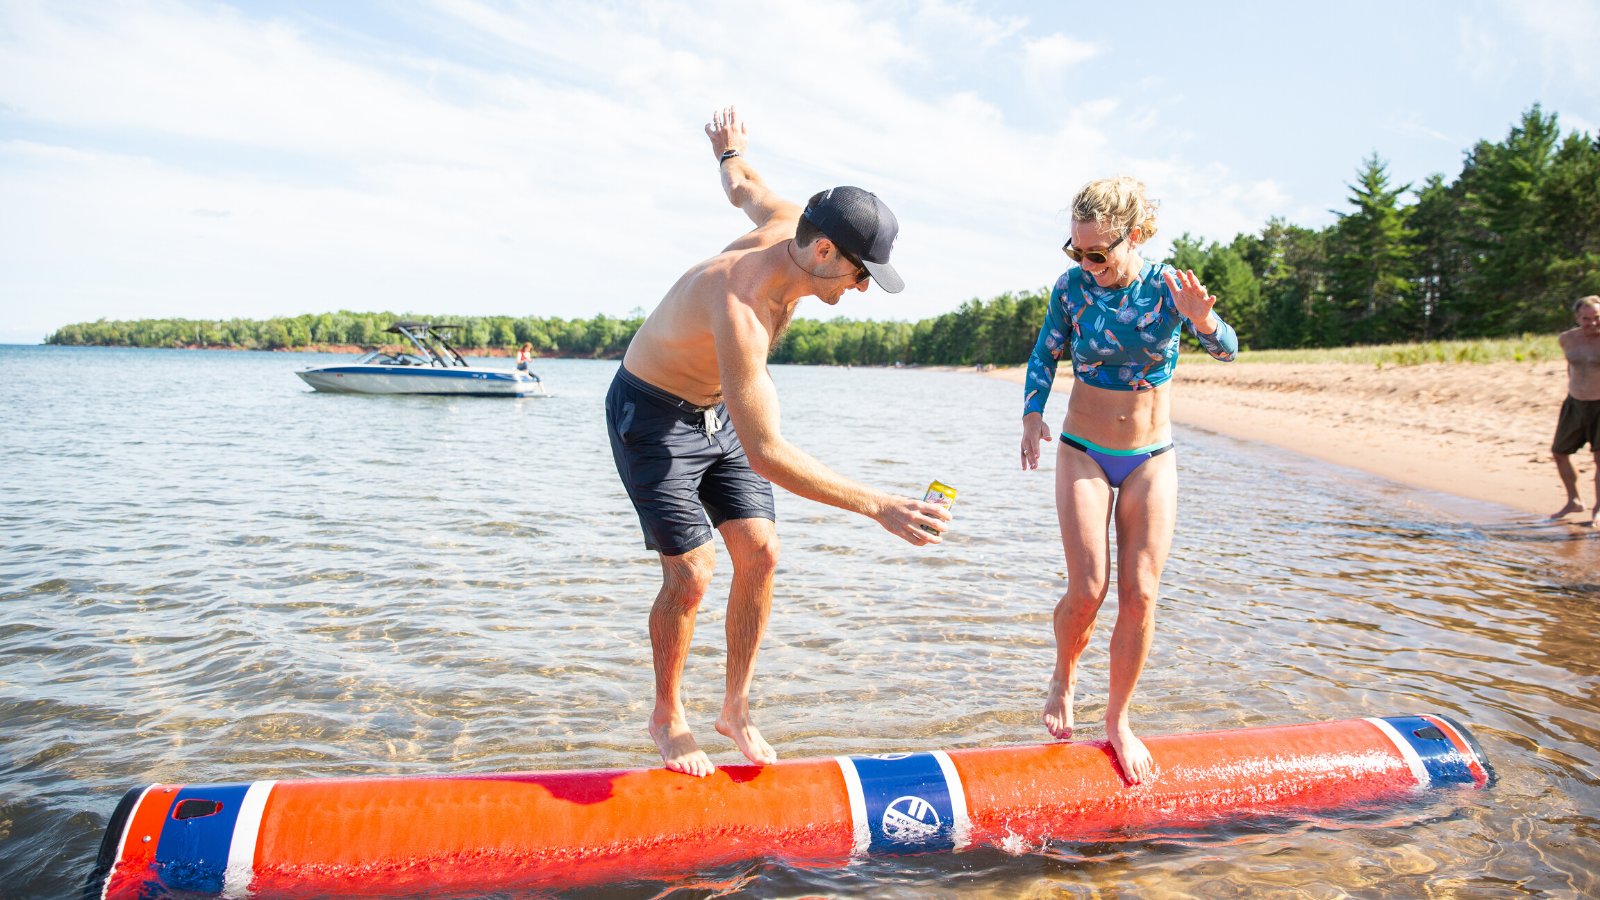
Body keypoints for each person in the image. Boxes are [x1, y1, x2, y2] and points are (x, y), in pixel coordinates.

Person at [606, 107, 952, 777]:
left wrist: (728, 152)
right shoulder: (740, 306)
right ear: (823, 251)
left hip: (715, 411)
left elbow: (746, 187)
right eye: (859, 274)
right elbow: (767, 451)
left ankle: (734, 709)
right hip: (652, 416)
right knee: (693, 574)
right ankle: (667, 717)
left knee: (761, 551)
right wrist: (878, 504)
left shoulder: (795, 221)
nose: (861, 288)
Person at [1018, 176, 1238, 785]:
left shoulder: (1168, 287)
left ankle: (1118, 720)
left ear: (1134, 236)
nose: (1086, 264)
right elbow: (1045, 354)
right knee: (1088, 588)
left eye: (1097, 253)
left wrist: (1206, 323)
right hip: (1083, 449)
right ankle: (1064, 674)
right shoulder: (1070, 289)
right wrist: (1033, 414)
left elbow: (1228, 350)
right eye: (1076, 251)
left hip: (1150, 454)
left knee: (1140, 592)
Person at [1550, 295, 1600, 522]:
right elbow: (1571, 367)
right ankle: (1574, 501)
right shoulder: (1567, 339)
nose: (1592, 323)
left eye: (1597, 318)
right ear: (1577, 318)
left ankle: (1598, 509)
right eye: (1586, 318)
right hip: (1575, 402)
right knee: (1559, 452)